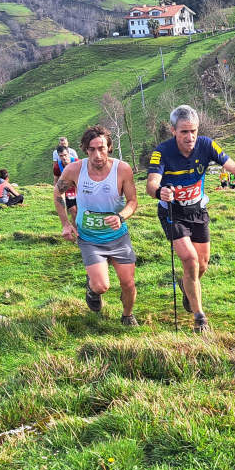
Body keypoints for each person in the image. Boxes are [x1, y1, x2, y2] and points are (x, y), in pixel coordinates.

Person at [146, 105, 235, 333]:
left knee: (202, 265)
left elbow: (233, 167)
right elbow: (152, 183)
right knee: (190, 260)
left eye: (193, 131)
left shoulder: (206, 144)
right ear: (174, 131)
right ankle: (199, 318)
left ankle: (187, 287)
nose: (190, 136)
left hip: (198, 210)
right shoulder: (162, 151)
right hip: (173, 213)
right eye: (184, 132)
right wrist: (159, 192)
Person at [54, 125, 139, 324]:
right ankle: (93, 289)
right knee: (102, 286)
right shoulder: (75, 169)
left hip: (118, 237)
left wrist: (121, 217)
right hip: (90, 238)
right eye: (92, 149)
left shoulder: (122, 169)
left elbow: (133, 201)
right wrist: (66, 224)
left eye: (101, 148)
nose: (97, 155)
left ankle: (127, 315)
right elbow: (58, 192)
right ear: (85, 150)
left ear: (109, 147)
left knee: (128, 283)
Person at [52, 146, 76, 213]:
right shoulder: (57, 167)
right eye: (61, 156)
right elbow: (56, 180)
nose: (64, 157)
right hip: (68, 192)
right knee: (73, 210)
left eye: (65, 155)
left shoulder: (77, 162)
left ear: (68, 153)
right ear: (58, 156)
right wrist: (56, 193)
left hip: (79, 190)